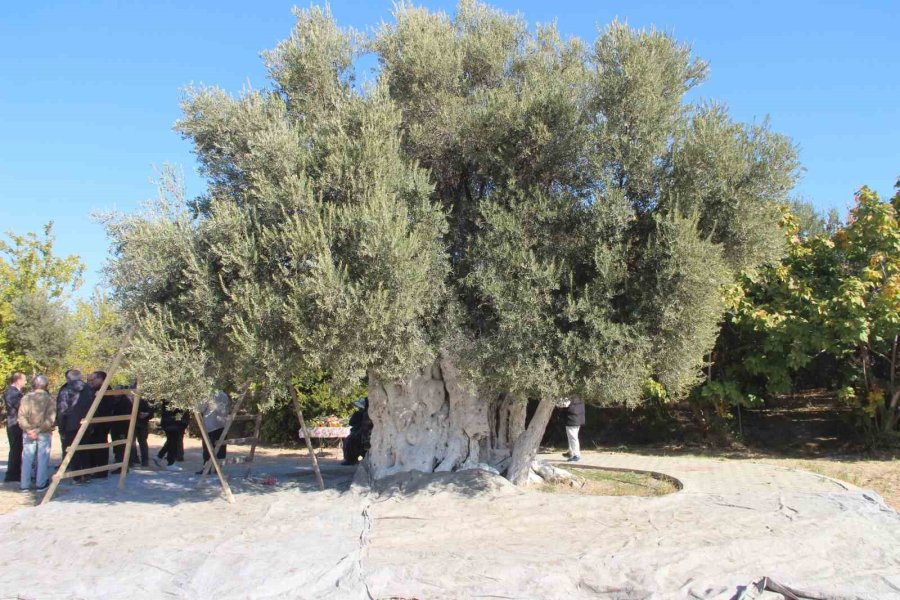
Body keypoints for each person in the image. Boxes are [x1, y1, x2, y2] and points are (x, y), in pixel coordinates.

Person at [17, 375, 56, 491]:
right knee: (42, 458)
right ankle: (41, 483)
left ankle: (24, 484)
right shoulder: (50, 399)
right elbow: (51, 418)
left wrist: (28, 430)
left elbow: (21, 416)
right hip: (43, 432)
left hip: (28, 432)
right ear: (46, 385)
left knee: (27, 458)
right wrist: (37, 430)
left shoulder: (26, 398)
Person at [84, 371, 114, 478]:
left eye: (93, 380)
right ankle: (94, 469)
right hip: (95, 423)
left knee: (100, 447)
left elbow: (104, 408)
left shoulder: (106, 390)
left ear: (101, 379)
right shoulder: (95, 389)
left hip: (101, 424)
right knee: (93, 447)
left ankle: (101, 471)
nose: (91, 382)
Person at [56, 369, 86, 458]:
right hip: (85, 424)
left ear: (68, 379)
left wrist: (61, 427)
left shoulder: (66, 390)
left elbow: (62, 409)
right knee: (84, 451)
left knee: (69, 449)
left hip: (69, 425)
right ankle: (85, 470)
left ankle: (71, 468)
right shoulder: (88, 389)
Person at [198, 390, 229, 474]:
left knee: (208, 447)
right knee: (220, 447)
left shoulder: (208, 394)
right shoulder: (224, 395)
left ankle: (206, 467)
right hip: (222, 424)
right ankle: (217, 468)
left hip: (210, 425)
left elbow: (200, 408)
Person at [3, 372, 26, 483]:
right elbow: (19, 406)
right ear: (18, 380)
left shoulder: (16, 392)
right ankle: (12, 475)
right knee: (15, 449)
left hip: (16, 423)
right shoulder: (12, 393)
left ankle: (16, 472)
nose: (25, 382)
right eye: (24, 380)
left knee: (18, 449)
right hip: (14, 424)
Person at [155, 400, 189, 470]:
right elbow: (178, 411)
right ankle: (170, 463)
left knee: (170, 442)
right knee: (173, 443)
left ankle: (159, 456)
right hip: (172, 424)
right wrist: (180, 422)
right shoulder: (174, 398)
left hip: (169, 422)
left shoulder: (169, 398)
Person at [342, 398, 373, 466]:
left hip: (364, 434)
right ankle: (352, 459)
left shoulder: (366, 413)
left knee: (350, 441)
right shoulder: (363, 413)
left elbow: (352, 423)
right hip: (362, 433)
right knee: (349, 440)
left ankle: (351, 460)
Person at [132, 395, 154, 467]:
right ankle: (135, 458)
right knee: (134, 442)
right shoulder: (134, 394)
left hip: (141, 423)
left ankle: (144, 460)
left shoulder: (147, 396)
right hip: (135, 423)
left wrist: (147, 414)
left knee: (141, 442)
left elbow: (151, 410)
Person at [562, 396, 585, 463]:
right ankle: (570, 452)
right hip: (578, 418)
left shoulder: (571, 396)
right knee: (571, 437)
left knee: (573, 438)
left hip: (572, 418)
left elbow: (564, 404)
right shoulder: (580, 394)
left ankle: (576, 455)